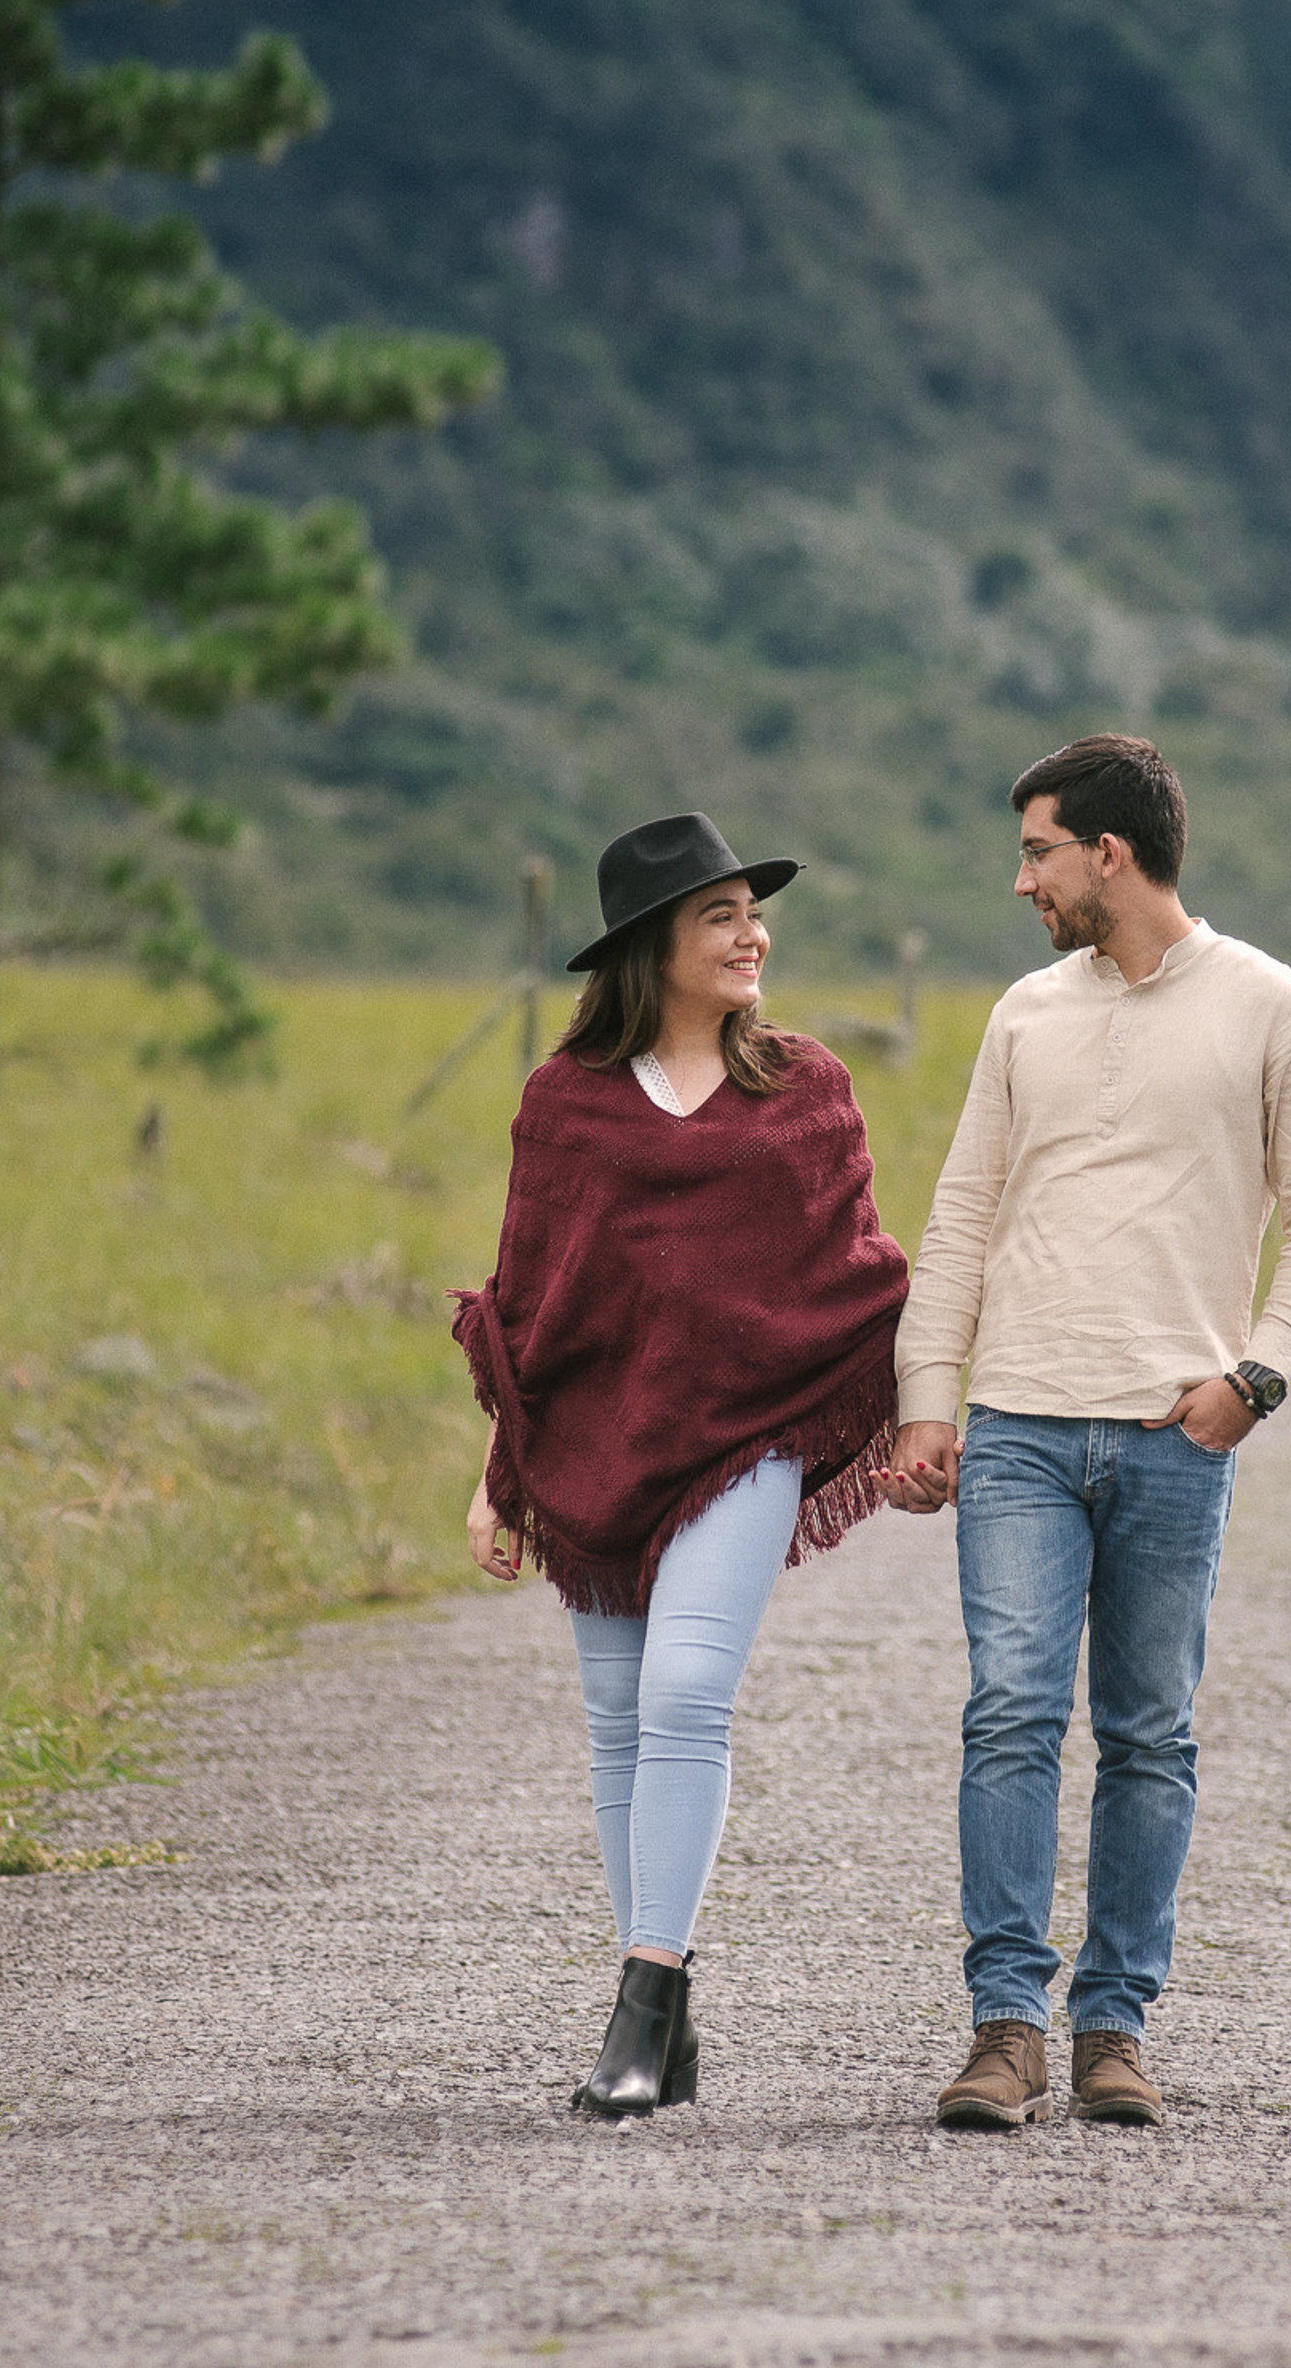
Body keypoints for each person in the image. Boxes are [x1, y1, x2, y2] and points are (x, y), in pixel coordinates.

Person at [883, 734, 1291, 2129]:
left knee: (1149, 1734)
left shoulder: (1276, 1007)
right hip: (1020, 1426)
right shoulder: (1024, 1013)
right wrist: (928, 1399)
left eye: (1038, 849)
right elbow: (962, 1215)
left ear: (1111, 851)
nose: (1020, 877)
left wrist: (1254, 1382)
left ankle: (1114, 2031)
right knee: (1010, 1716)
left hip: (1174, 1432)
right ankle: (1004, 2031)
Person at [454, 811, 908, 2119]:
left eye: (754, 914)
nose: (754, 935)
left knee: (690, 1689)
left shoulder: (807, 1088)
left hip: (752, 1436)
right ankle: (661, 2002)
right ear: (653, 947)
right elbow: (532, 1307)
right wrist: (502, 1473)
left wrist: (924, 1406)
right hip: (597, 1443)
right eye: (722, 917)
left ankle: (642, 2008)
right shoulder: (567, 1104)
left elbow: (856, 1281)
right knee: (618, 1724)